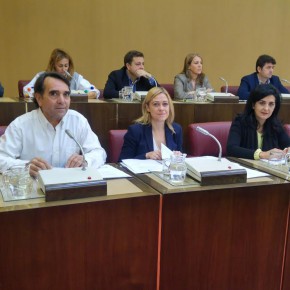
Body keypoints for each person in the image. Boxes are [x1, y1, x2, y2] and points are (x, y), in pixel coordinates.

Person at [0, 72, 106, 177]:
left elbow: (99, 152)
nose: (62, 101)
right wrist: (25, 166)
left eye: (66, 94)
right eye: (54, 94)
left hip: (69, 187)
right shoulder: (20, 125)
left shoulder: (78, 121)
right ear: (39, 98)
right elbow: (1, 158)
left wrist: (86, 160)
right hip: (34, 188)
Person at [227, 84, 290, 160]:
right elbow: (231, 149)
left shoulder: (275, 124)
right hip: (245, 168)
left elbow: (287, 144)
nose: (266, 108)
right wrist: (262, 154)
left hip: (267, 169)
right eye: (262, 103)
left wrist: (288, 150)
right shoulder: (240, 121)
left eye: (271, 104)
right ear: (253, 105)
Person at [119, 87, 183, 160]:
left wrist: (178, 157)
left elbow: (179, 161)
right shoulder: (135, 131)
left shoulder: (176, 129)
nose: (161, 108)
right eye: (156, 104)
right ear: (147, 107)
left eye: (165, 104)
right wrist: (146, 156)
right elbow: (122, 161)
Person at [23, 48, 100, 99]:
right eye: (60, 66)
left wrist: (79, 96)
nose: (64, 69)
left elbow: (94, 91)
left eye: (66, 66)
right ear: (53, 65)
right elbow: (27, 90)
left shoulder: (75, 78)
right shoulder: (42, 76)